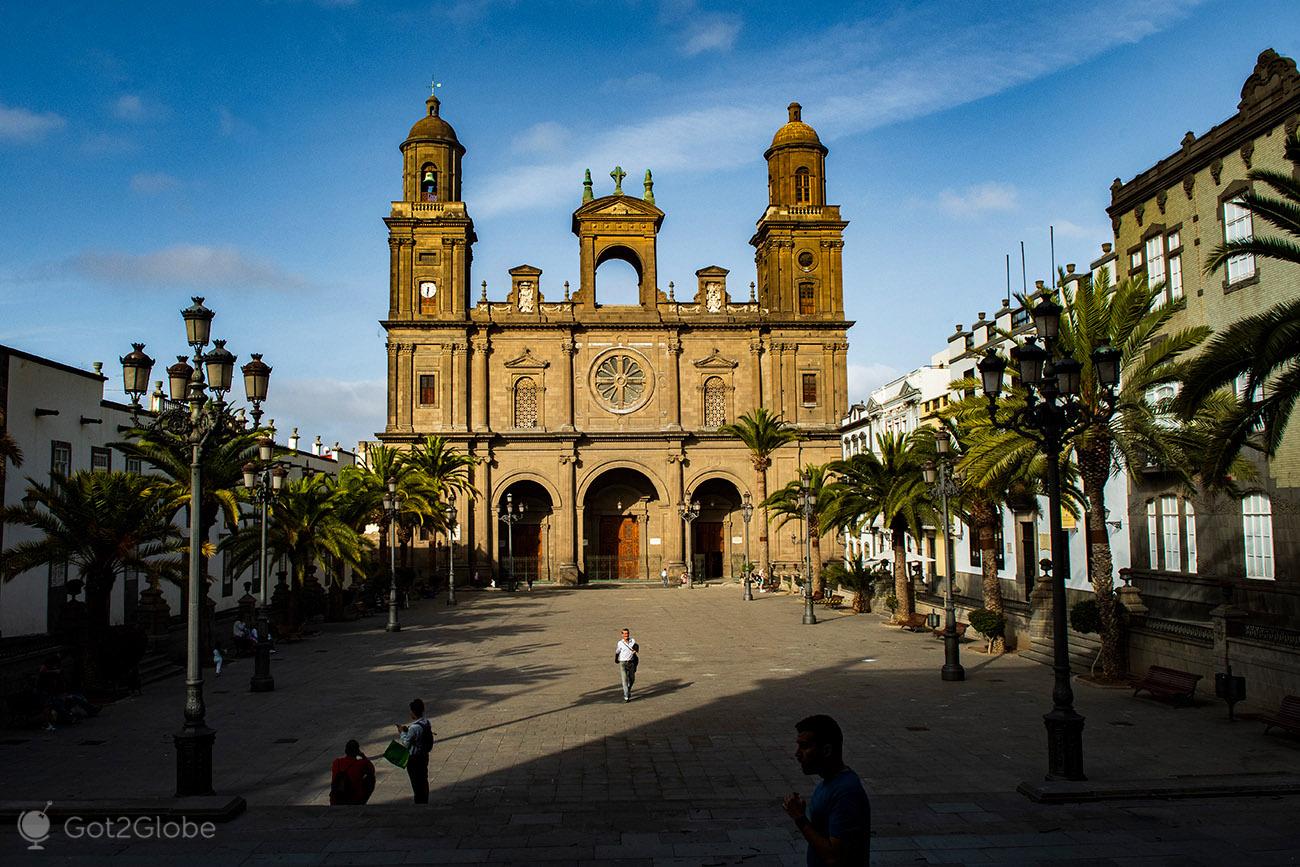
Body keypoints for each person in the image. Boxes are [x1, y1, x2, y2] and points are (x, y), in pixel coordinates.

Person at [782, 714, 871, 866]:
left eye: (804, 746)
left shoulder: (846, 793)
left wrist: (800, 819)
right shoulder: (829, 784)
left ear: (827, 750)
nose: (797, 754)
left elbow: (834, 856)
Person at [396, 698, 434, 804]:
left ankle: (419, 801)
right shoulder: (426, 722)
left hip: (414, 759)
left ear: (413, 712)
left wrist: (402, 732)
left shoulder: (414, 727)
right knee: (423, 779)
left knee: (416, 782)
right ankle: (424, 800)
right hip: (424, 756)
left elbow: (406, 743)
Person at [330, 739, 376, 805]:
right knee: (371, 778)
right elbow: (372, 770)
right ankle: (361, 802)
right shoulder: (361, 763)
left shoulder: (336, 762)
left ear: (346, 751)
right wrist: (363, 755)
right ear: (357, 751)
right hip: (354, 799)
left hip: (336, 799)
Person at [615, 628, 639, 702]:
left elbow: (637, 647)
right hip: (623, 663)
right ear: (622, 635)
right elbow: (617, 652)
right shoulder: (620, 643)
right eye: (624, 634)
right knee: (624, 680)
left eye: (627, 633)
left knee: (632, 679)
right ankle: (626, 696)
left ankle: (628, 690)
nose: (626, 635)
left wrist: (636, 650)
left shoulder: (632, 641)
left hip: (631, 663)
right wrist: (616, 659)